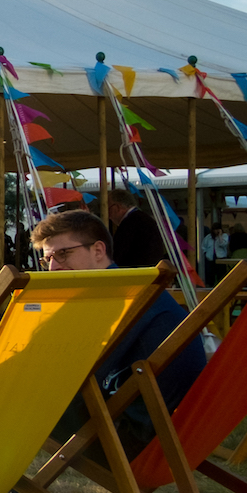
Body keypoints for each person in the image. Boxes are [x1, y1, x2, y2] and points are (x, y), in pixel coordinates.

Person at [34, 208, 206, 460]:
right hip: (175, 435)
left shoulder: (119, 301)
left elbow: (76, 377)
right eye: (47, 259)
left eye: (63, 254)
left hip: (130, 440)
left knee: (6, 404)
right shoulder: (136, 292)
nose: (53, 267)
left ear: (98, 250)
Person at [107, 196, 166, 269]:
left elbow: (118, 253)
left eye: (109, 209)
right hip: (152, 269)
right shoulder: (144, 218)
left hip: (136, 272)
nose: (108, 215)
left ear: (117, 207)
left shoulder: (129, 222)